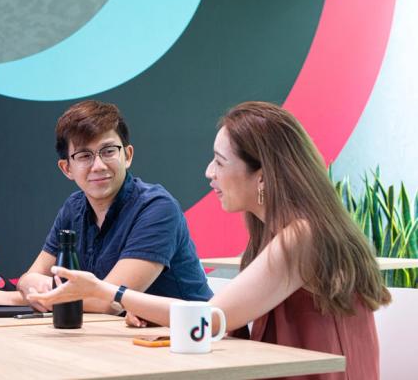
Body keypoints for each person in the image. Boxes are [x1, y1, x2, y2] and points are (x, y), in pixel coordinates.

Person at [29, 101, 391, 379]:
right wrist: (158, 317)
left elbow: (212, 317)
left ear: (261, 177)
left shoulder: (301, 236)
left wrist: (111, 293)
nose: (209, 172)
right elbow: (228, 318)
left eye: (219, 162)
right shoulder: (279, 231)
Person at [0, 100, 211, 312]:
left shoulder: (157, 208)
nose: (98, 166)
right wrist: (29, 286)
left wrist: (18, 298)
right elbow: (31, 276)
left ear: (127, 155)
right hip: (127, 339)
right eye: (84, 156)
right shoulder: (74, 208)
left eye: (108, 151)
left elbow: (112, 301)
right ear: (66, 169)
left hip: (192, 342)